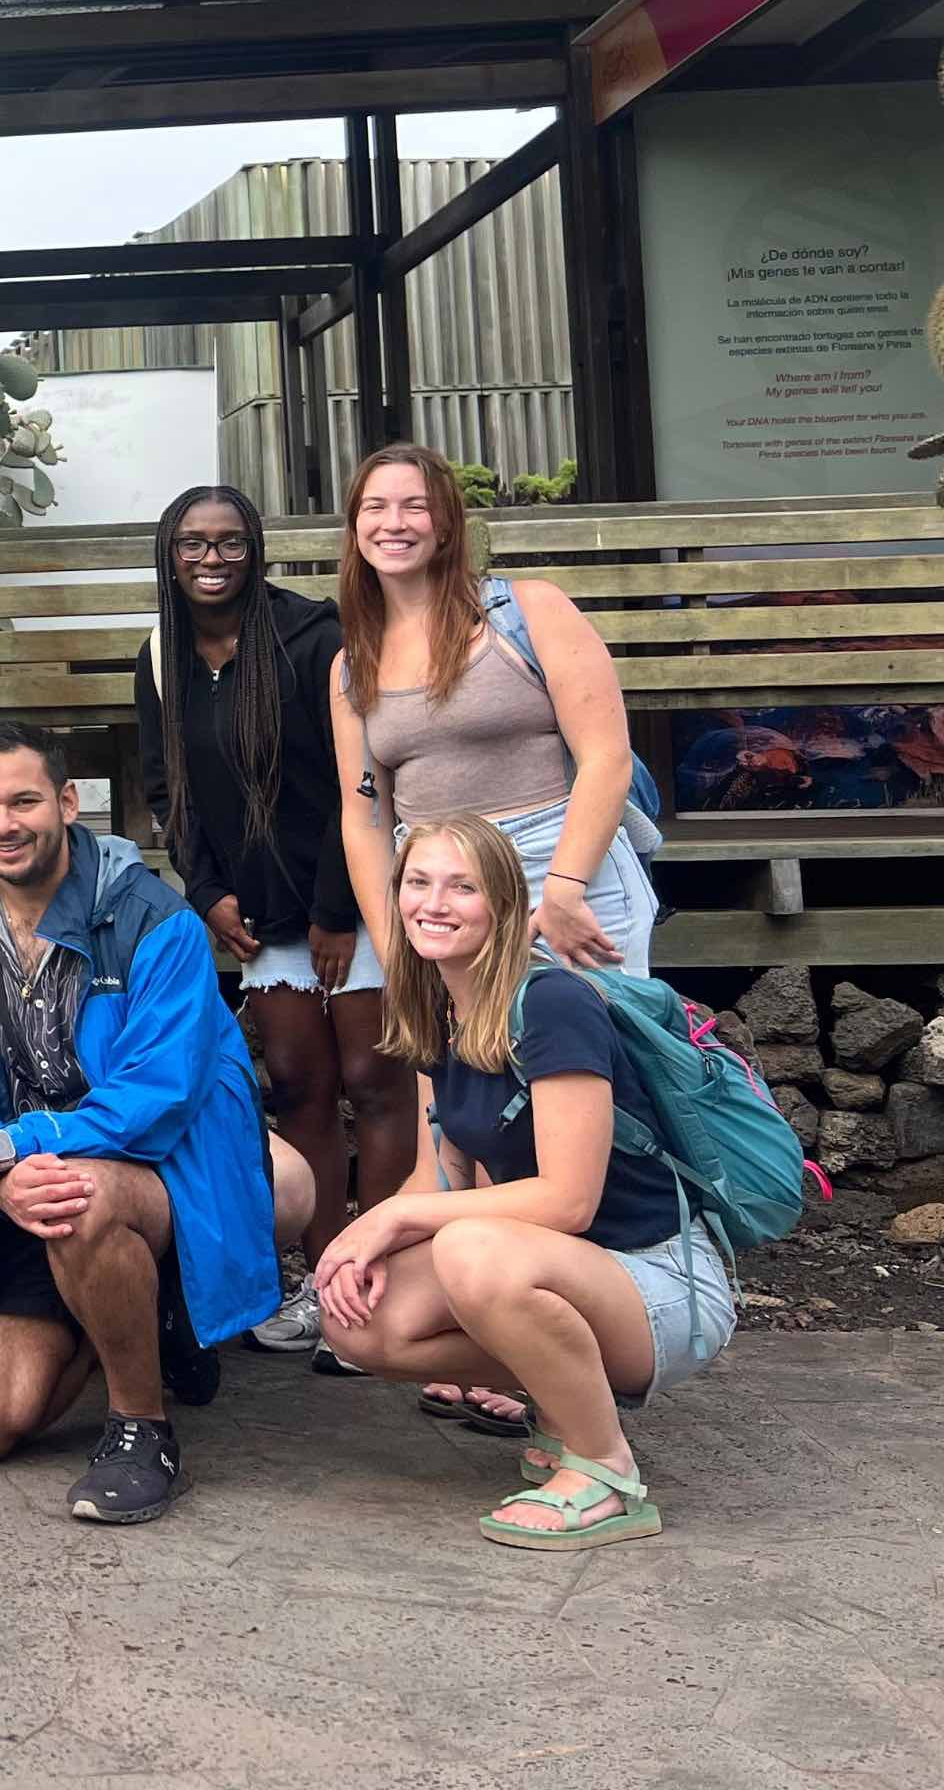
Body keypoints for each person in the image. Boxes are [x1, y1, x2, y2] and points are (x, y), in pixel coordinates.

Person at [0, 723, 312, 1526]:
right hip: (28, 1177)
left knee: (81, 1199)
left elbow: (153, 1101)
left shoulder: (157, 919)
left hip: (151, 1165)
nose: (3, 823)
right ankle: (138, 1313)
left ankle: (141, 1426)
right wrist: (1, 1172)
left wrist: (1, 1151)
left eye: (24, 800)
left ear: (67, 801)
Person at [327, 440, 653, 1437]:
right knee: (459, 1104)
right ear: (351, 527)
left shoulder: (527, 610)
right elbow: (360, 814)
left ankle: (601, 1330)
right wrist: (393, 937)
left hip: (563, 865)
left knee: (575, 1101)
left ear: (445, 520)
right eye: (373, 506)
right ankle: (498, 1333)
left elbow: (604, 752)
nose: (392, 522)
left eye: (412, 505)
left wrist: (557, 885)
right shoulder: (352, 661)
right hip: (435, 887)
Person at [315, 814, 732, 1549]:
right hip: (559, 1272)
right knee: (358, 1321)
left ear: (504, 905)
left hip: (660, 1284)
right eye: (418, 882)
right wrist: (357, 1241)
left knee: (474, 1250)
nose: (433, 903)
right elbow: (439, 1176)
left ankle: (605, 1470)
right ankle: (560, 1400)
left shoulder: (552, 1004)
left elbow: (569, 1200)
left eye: (461, 887)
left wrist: (395, 1223)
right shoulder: (441, 1010)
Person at [133, 483, 407, 1364]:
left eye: (229, 544)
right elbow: (164, 788)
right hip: (255, 912)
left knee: (374, 1080)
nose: (211, 560)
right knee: (295, 1084)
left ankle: (393, 1283)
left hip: (349, 898)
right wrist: (204, 889)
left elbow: (357, 784)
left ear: (256, 550)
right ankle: (325, 1282)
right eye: (191, 545)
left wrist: (337, 911)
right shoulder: (163, 654)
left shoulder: (312, 639)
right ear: (169, 556)